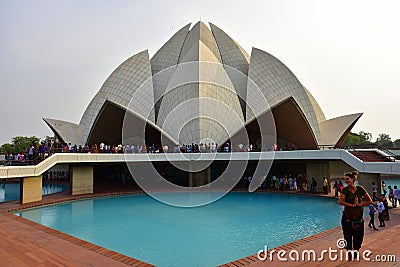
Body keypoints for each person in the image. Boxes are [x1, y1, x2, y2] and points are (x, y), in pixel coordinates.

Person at [338, 171, 373, 259]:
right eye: (344, 179)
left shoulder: (360, 189)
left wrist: (359, 204)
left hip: (358, 218)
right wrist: (352, 205)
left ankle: (356, 250)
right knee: (347, 235)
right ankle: (349, 251)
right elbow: (340, 201)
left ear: (353, 179)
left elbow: (370, 200)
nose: (345, 181)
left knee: (358, 236)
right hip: (347, 218)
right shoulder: (345, 190)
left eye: (347, 179)